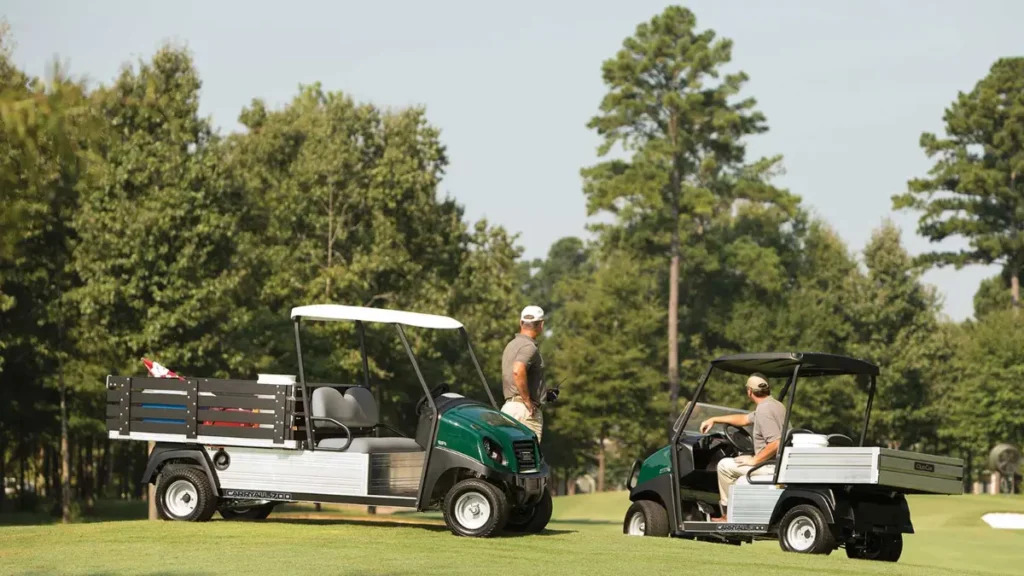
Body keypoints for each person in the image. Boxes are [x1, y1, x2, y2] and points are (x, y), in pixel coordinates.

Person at [698, 372, 786, 521]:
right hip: (776, 462)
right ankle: (731, 512)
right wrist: (714, 419)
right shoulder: (776, 405)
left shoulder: (764, 410)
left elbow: (776, 442)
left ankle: (728, 515)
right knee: (737, 461)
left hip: (770, 465)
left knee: (724, 465)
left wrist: (754, 460)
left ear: (749, 391)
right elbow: (744, 419)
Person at [500, 305, 546, 440]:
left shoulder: (511, 345)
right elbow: (517, 370)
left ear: (521, 323)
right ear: (541, 325)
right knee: (528, 458)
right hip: (525, 411)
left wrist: (545, 394)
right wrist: (527, 400)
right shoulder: (529, 347)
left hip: (509, 408)